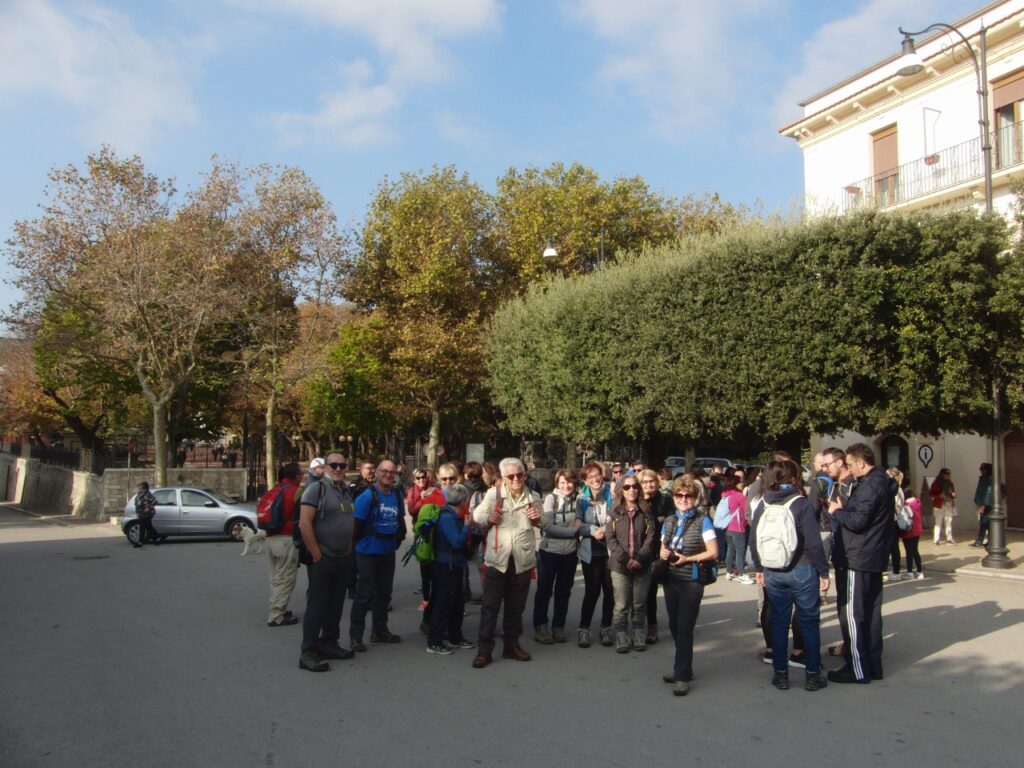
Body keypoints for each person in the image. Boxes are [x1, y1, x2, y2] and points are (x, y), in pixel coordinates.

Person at [750, 460, 830, 692]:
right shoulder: (800, 503)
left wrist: (758, 567)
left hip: (773, 570)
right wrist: (823, 571)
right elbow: (814, 542)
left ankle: (781, 674)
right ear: (794, 479)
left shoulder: (763, 503)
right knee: (808, 623)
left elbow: (755, 539)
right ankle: (813, 675)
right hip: (803, 568)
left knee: (779, 622)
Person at [826, 443, 896, 684]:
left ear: (861, 463)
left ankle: (857, 668)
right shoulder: (878, 482)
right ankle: (872, 665)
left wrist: (837, 511)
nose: (849, 469)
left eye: (851, 464)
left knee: (854, 614)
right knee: (871, 612)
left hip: (860, 556)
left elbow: (857, 521)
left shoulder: (870, 485)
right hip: (872, 555)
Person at [470, 458, 541, 668]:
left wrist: (538, 519)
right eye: (511, 476)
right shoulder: (494, 494)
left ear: (525, 475)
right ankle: (484, 650)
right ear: (503, 478)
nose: (516, 479)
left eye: (520, 474)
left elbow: (544, 521)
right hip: (497, 559)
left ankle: (511, 646)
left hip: (522, 559)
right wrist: (489, 518)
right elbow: (477, 515)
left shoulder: (533, 496)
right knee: (490, 607)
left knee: (515, 608)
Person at [660, 474, 718, 696]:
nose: (683, 499)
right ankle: (683, 666)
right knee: (674, 625)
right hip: (671, 578)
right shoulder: (670, 520)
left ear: (694, 498)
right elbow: (662, 547)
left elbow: (713, 552)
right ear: (674, 497)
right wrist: (663, 552)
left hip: (691, 579)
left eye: (688, 495)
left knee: (685, 627)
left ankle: (682, 675)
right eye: (679, 495)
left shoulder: (703, 520)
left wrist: (688, 558)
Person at [298, 452, 356, 672]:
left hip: (342, 557)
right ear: (325, 466)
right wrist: (316, 554)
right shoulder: (316, 489)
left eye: (342, 465)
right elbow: (305, 523)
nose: (339, 468)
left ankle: (330, 642)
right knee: (318, 604)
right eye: (334, 465)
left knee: (336, 603)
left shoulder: (344, 491)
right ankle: (308, 651)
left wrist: (349, 548)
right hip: (324, 556)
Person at [348, 460, 406, 650]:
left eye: (392, 472)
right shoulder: (367, 495)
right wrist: (355, 547)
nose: (388, 475)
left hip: (387, 550)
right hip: (368, 551)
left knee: (384, 593)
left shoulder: (396, 494)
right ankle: (356, 636)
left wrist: (399, 538)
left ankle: (379, 630)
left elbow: (400, 519)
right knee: (364, 595)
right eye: (384, 471)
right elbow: (356, 523)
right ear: (377, 473)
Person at [607, 475, 657, 653]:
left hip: (642, 565)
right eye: (627, 487)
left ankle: (638, 632)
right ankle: (621, 633)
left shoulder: (646, 511)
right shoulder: (614, 512)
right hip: (620, 566)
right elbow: (611, 539)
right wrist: (627, 560)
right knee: (621, 604)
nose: (632, 490)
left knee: (639, 603)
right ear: (621, 490)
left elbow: (651, 538)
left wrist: (640, 559)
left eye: (635, 486)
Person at [426, 483, 475, 655]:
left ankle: (456, 636)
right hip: (445, 565)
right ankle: (434, 641)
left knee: (457, 602)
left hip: (455, 564)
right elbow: (456, 542)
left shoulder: (454, 515)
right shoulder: (447, 517)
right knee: (443, 602)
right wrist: (467, 526)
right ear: (462, 500)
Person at [533, 469, 581, 644]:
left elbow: (583, 524)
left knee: (563, 592)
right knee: (544, 591)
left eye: (569, 482)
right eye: (562, 483)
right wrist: (572, 531)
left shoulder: (580, 500)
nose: (566, 486)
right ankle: (540, 626)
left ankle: (558, 626)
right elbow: (548, 527)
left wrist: (583, 529)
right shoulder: (551, 500)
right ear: (556, 484)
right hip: (549, 552)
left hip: (570, 553)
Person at [576, 461, 615, 648]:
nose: (595, 479)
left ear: (602, 475)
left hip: (610, 550)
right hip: (590, 551)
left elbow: (617, 517)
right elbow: (577, 525)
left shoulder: (611, 494)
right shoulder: (581, 499)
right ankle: (584, 629)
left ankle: (606, 627)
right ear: (585, 480)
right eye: (590, 477)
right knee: (592, 591)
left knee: (610, 591)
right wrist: (592, 529)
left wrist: (606, 530)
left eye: (597, 475)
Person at [266, 463, 303, 627]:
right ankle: (277, 615)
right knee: (286, 577)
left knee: (276, 577)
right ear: (295, 476)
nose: (302, 476)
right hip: (286, 538)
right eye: (301, 473)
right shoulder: (295, 492)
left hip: (270, 537)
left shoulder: (274, 490)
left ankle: (278, 607)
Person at [640, 469, 672, 644]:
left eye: (651, 481)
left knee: (652, 591)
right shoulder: (635, 499)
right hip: (638, 550)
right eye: (644, 482)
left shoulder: (665, 500)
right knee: (638, 592)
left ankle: (652, 626)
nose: (648, 485)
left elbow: (671, 522)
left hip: (658, 551)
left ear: (657, 482)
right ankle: (637, 625)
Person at [720, 474, 752, 584]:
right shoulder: (739, 496)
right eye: (740, 482)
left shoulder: (725, 495)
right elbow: (746, 511)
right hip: (738, 527)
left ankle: (729, 572)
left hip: (728, 526)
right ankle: (741, 574)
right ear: (736, 484)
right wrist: (750, 522)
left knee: (730, 549)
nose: (742, 484)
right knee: (740, 551)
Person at [930, 468, 957, 545]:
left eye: (949, 474)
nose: (948, 476)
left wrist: (954, 495)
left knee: (949, 521)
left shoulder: (950, 483)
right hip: (939, 504)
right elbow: (931, 494)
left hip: (949, 503)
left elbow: (954, 492)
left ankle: (949, 538)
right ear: (942, 475)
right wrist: (939, 495)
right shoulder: (936, 483)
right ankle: (936, 539)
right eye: (946, 474)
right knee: (938, 522)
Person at [900, 491, 924, 579]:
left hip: (908, 530)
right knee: (915, 551)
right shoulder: (917, 503)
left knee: (909, 552)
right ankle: (919, 571)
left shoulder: (906, 505)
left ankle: (909, 572)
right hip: (917, 530)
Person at [972, 463, 994, 548]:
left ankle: (980, 540)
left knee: (984, 523)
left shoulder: (989, 479)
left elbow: (988, 493)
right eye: (981, 469)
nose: (981, 471)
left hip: (987, 504)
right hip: (981, 503)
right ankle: (989, 541)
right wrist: (977, 501)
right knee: (985, 523)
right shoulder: (983, 479)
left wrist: (984, 505)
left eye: (983, 469)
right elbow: (980, 491)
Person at [133, 481, 158, 548]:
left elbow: (155, 501)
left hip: (147, 513)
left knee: (142, 527)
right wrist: (137, 513)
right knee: (149, 527)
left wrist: (148, 507)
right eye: (139, 488)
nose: (139, 489)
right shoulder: (139, 494)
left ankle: (140, 542)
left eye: (140, 488)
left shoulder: (147, 494)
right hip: (141, 513)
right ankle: (156, 537)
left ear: (144, 488)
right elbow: (137, 504)